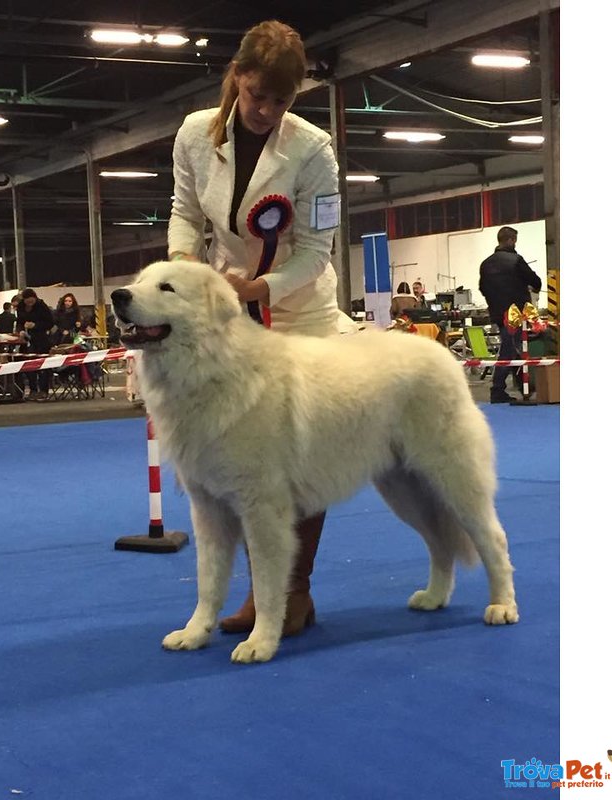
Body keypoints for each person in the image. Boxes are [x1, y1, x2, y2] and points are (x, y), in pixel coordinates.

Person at [167, 19, 346, 638]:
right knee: (239, 460)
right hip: (223, 311)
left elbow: (317, 251)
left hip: (299, 308)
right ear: (237, 78)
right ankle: (259, 590)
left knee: (302, 455)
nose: (268, 110)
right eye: (258, 95)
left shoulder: (314, 149)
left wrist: (260, 288)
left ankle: (292, 594)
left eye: (283, 100)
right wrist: (188, 267)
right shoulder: (194, 134)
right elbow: (185, 214)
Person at [479, 226, 542, 403]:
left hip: (498, 313)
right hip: (516, 314)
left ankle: (525, 388)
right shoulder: (516, 260)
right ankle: (497, 389)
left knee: (515, 350)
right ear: (511, 240)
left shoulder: (486, 263)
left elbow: (483, 288)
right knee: (509, 350)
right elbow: (535, 281)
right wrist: (531, 288)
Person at [16, 288, 54, 400]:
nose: (29, 303)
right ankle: (32, 390)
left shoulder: (42, 306)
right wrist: (20, 330)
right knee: (30, 366)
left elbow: (50, 323)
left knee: (43, 367)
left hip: (41, 340)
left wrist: (35, 325)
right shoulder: (20, 307)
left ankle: (43, 391)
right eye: (27, 301)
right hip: (27, 341)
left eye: (31, 301)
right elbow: (19, 321)